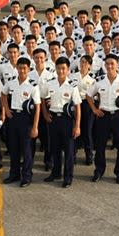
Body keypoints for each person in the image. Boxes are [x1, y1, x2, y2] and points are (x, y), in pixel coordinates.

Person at [86, 54, 119, 183]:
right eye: (107, 64)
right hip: (103, 116)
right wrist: (95, 110)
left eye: (112, 63)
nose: (110, 66)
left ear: (117, 65)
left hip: (118, 116)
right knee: (100, 146)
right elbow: (88, 95)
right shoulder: (99, 80)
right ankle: (99, 171)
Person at [41, 57, 81, 187]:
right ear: (55, 69)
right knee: (55, 148)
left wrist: (77, 126)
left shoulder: (72, 86)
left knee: (69, 151)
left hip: (67, 120)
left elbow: (77, 107)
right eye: (58, 68)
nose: (61, 71)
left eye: (63, 68)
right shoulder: (50, 83)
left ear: (68, 70)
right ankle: (56, 172)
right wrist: (45, 113)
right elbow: (42, 98)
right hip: (53, 119)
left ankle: (68, 177)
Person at [0, 58, 41, 187]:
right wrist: (6, 109)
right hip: (13, 118)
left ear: (29, 69)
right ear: (16, 68)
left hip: (26, 119)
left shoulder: (33, 86)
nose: (22, 70)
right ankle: (14, 174)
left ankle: (27, 176)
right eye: (20, 67)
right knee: (14, 148)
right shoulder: (11, 83)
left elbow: (38, 107)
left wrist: (35, 127)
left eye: (25, 68)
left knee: (27, 150)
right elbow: (3, 94)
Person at [71, 54, 96, 165]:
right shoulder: (72, 76)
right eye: (82, 61)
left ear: (90, 66)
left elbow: (95, 96)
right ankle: (73, 154)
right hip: (74, 104)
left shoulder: (93, 80)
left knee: (87, 131)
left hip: (86, 105)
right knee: (74, 130)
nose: (83, 64)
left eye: (86, 62)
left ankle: (89, 154)